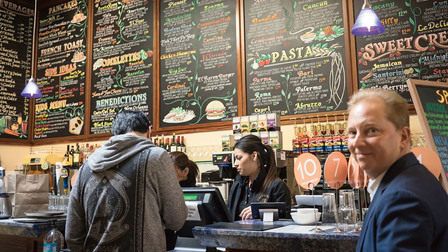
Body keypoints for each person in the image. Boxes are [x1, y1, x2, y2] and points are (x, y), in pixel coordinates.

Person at [65, 110, 188, 252]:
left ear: (115, 134)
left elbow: (72, 235)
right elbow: (176, 220)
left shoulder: (86, 167)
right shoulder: (156, 158)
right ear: (149, 131)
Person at [346, 89, 448, 251]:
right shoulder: (414, 177)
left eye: (372, 130)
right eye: (352, 132)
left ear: (403, 137)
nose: (357, 143)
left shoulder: (402, 198)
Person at [227, 134, 291, 221]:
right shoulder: (237, 186)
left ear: (254, 156)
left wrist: (260, 213)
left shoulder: (276, 186)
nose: (235, 163)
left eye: (239, 158)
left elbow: (285, 220)